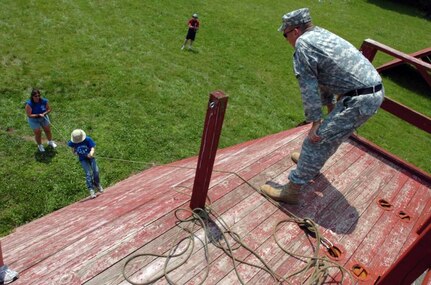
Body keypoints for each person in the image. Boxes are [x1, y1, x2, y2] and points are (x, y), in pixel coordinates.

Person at [260, 8, 384, 204]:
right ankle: (310, 164)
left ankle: (292, 189)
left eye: (285, 35)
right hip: (370, 93)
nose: (287, 40)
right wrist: (330, 107)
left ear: (295, 31)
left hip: (358, 99)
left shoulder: (303, 45)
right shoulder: (321, 34)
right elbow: (323, 78)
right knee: (329, 136)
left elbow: (308, 86)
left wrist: (315, 121)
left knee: (316, 140)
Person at [68, 129, 103, 199]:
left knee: (96, 170)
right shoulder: (72, 143)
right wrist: (76, 153)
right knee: (88, 173)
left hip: (91, 157)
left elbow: (92, 148)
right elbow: (73, 151)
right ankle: (91, 189)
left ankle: (97, 184)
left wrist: (91, 154)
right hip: (82, 159)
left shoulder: (88, 139)